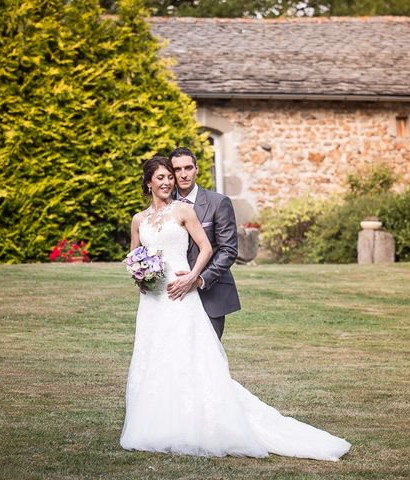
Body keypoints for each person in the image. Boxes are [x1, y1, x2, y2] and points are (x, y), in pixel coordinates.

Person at [120, 156, 351, 460]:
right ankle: (156, 424)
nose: (167, 182)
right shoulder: (139, 219)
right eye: (160, 177)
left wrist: (193, 277)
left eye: (170, 177)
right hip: (152, 300)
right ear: (147, 182)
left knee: (189, 356)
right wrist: (139, 277)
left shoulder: (184, 211)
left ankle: (198, 423)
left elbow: (209, 248)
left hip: (181, 294)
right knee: (155, 355)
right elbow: (135, 254)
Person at [166, 147, 239, 340]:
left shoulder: (219, 202)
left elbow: (228, 250)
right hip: (174, 291)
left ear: (196, 169)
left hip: (210, 291)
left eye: (188, 168)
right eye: (177, 170)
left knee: (208, 356)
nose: (183, 175)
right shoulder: (164, 206)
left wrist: (199, 279)